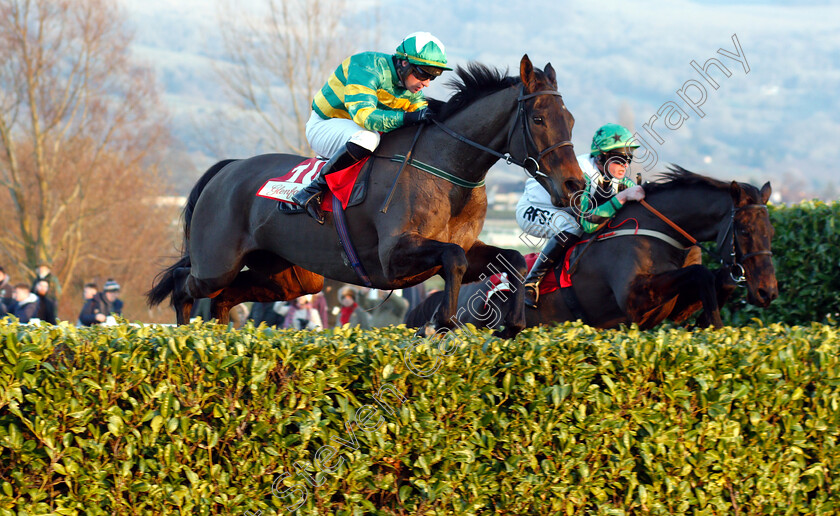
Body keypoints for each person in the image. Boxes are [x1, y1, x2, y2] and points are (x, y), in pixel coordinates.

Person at [292, 32, 452, 223]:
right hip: (325, 125)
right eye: (422, 74)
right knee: (369, 138)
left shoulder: (410, 89)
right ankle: (311, 191)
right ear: (403, 62)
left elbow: (422, 116)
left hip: (353, 130)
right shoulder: (367, 66)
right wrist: (409, 117)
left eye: (432, 77)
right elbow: (364, 115)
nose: (425, 83)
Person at [516, 123, 646, 308]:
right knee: (572, 227)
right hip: (533, 208)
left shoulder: (614, 174)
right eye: (619, 159)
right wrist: (623, 197)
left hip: (565, 210)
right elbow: (588, 223)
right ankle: (531, 283)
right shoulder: (581, 174)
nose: (625, 165)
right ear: (601, 157)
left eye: (629, 159)